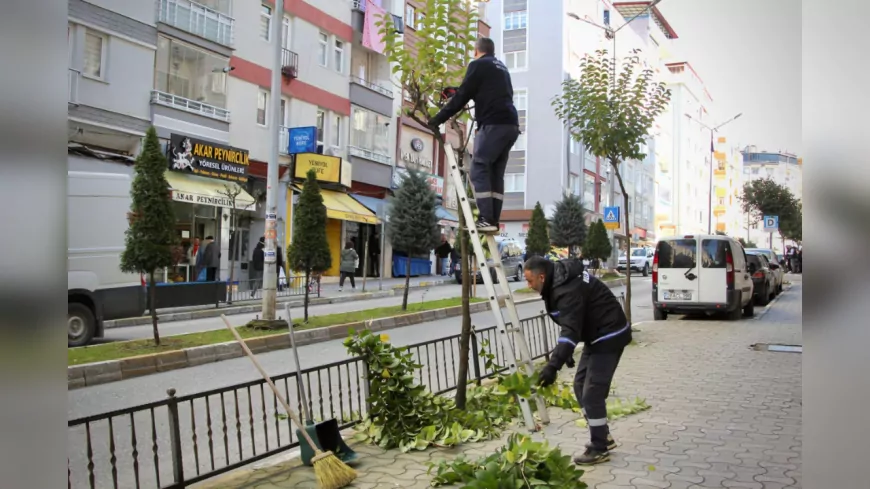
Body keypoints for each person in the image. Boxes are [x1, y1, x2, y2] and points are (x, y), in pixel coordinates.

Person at [523, 255, 631, 466]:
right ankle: (603, 436)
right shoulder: (559, 281)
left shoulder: (565, 290)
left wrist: (553, 365)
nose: (528, 286)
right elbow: (575, 320)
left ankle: (599, 448)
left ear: (542, 277)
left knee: (592, 393)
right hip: (596, 335)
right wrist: (567, 351)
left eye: (530, 281)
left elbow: (570, 329)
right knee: (579, 385)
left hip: (609, 335)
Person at [428, 37, 519, 234]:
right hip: (510, 125)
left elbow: (463, 96)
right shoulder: (501, 68)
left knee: (479, 167)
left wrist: (438, 118)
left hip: (493, 124)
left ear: (477, 51)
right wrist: (457, 91)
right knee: (495, 173)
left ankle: (486, 218)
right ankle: (492, 219)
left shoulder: (477, 65)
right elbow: (481, 91)